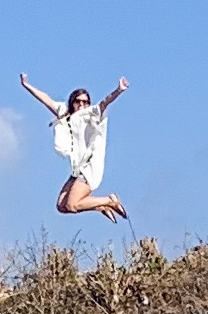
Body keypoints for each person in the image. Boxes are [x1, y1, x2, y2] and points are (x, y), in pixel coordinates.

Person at [21, 69, 128, 221]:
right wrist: (27, 85)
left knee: (72, 205)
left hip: (90, 166)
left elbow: (104, 103)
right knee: (62, 206)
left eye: (85, 102)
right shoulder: (64, 113)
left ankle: (109, 201)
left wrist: (118, 90)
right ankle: (100, 207)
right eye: (78, 101)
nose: (82, 105)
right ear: (72, 102)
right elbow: (46, 100)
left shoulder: (91, 114)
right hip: (77, 168)